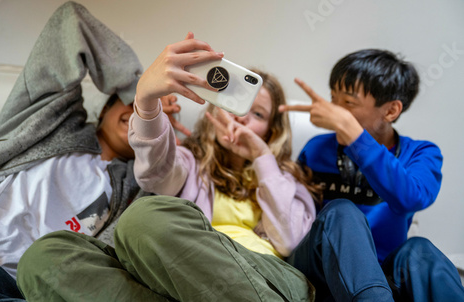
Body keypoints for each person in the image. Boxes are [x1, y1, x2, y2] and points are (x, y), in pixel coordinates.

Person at [16, 57, 320, 301]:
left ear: (272, 130)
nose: (241, 118)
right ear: (215, 109)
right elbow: (155, 172)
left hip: (265, 279)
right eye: (236, 105)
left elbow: (288, 239)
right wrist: (147, 102)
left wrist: (263, 159)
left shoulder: (289, 179)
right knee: (44, 258)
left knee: (142, 219)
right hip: (178, 281)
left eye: (257, 114)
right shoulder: (190, 161)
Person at [0, 1, 194, 301]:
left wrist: (151, 112)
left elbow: (161, 170)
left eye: (158, 115)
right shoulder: (50, 122)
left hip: (13, 289)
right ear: (107, 106)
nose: (140, 113)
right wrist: (140, 88)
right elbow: (69, 21)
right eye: (133, 105)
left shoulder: (136, 191)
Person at [280, 49, 464, 301]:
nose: (335, 111)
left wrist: (355, 137)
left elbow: (411, 198)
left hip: (381, 276)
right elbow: (292, 216)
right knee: (341, 211)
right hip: (318, 269)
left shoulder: (420, 153)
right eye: (333, 99)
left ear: (390, 111)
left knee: (419, 250)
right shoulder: (316, 148)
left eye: (348, 103)